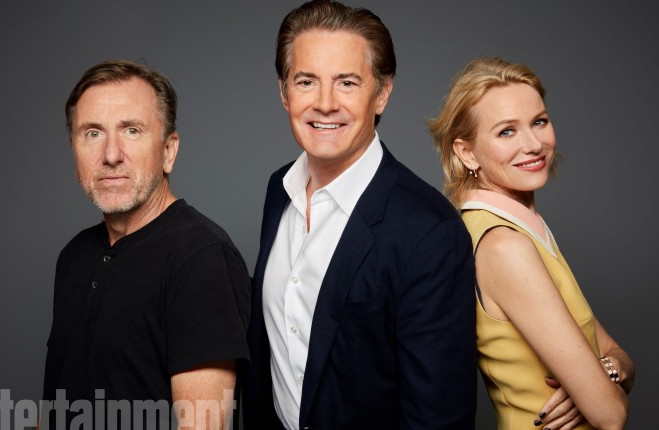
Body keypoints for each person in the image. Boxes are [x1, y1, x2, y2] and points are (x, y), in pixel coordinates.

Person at [243, 1, 477, 428]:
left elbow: (438, 417)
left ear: (382, 93)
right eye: (306, 81)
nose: (325, 103)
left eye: (347, 83)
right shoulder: (279, 191)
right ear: (284, 92)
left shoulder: (430, 232)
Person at [42, 60, 250, 430]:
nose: (111, 155)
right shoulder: (74, 256)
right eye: (93, 133)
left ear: (169, 150)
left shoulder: (201, 259)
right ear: (74, 149)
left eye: (132, 131)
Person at [429, 57, 635, 430]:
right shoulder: (504, 244)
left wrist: (609, 368)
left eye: (539, 122)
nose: (534, 144)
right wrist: (601, 387)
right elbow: (611, 414)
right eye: (507, 131)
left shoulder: (521, 228)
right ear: (466, 152)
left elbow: (615, 353)